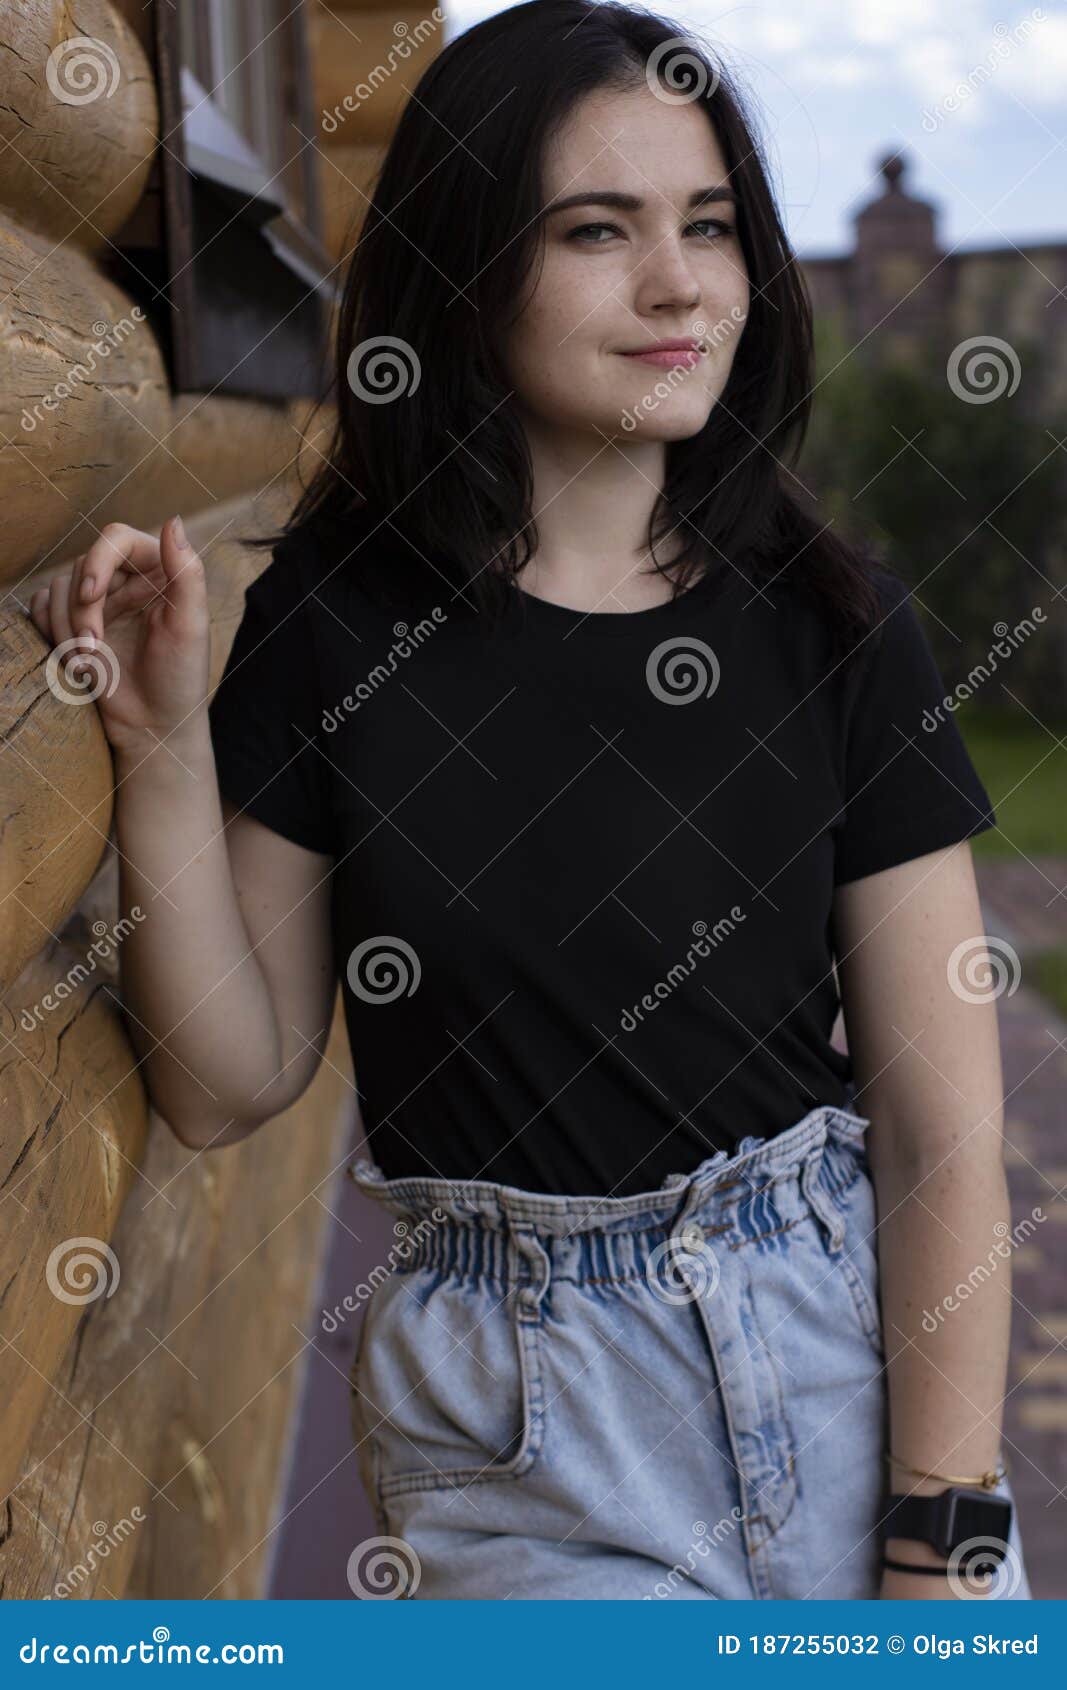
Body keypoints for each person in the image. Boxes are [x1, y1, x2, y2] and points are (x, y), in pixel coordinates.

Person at [29, 0, 1029, 1601]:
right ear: (468, 269)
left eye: (708, 225)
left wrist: (945, 1524)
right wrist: (160, 755)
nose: (679, 282)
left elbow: (940, 1126)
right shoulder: (339, 627)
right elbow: (230, 1080)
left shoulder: (834, 625)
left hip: (847, 1360)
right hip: (525, 1426)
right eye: (596, 231)